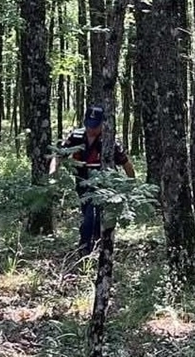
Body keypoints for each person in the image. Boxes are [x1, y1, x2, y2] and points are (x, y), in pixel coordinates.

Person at [49, 104, 137, 255]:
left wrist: (131, 185)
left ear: (103, 123)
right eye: (89, 125)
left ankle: (86, 248)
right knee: (87, 214)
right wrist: (53, 174)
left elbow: (126, 163)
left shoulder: (110, 142)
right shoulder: (76, 136)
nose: (91, 129)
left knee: (93, 215)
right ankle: (91, 244)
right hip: (82, 181)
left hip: (102, 183)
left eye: (95, 126)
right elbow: (59, 155)